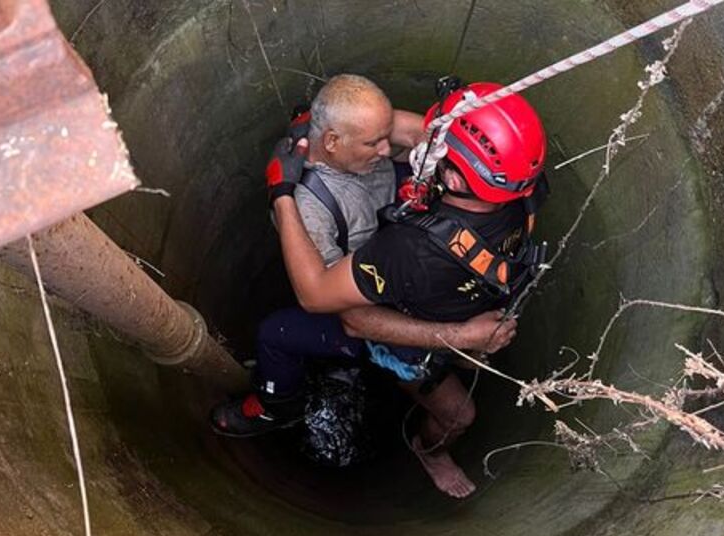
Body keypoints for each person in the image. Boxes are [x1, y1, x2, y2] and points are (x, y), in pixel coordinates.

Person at [215, 79, 547, 498]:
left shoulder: (413, 246)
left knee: (464, 380)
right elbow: (347, 314)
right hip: (391, 297)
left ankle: (434, 431)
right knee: (275, 335)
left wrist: (279, 192)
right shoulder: (515, 189)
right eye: (376, 140)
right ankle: (277, 407)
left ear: (459, 179)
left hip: (425, 292)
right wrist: (287, 197)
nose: (392, 148)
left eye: (384, 136)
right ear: (334, 140)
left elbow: (317, 294)